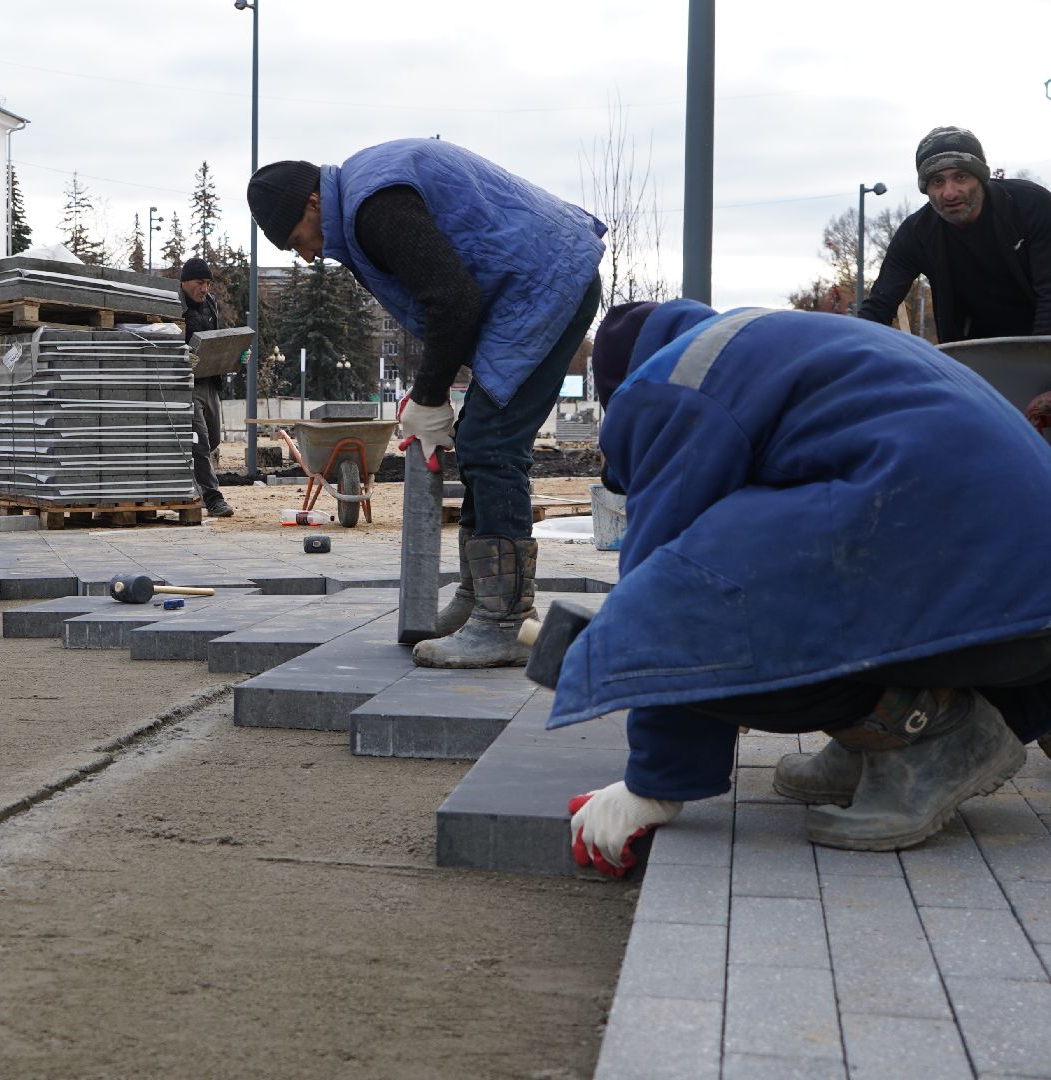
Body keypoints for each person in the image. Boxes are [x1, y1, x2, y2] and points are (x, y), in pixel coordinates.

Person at [556, 300, 1051, 876]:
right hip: (1025, 616)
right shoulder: (780, 349)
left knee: (701, 606)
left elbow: (668, 592)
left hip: (987, 602)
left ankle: (931, 736)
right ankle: (876, 739)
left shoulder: (669, 385)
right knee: (786, 536)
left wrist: (654, 781)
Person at [246, 139, 604, 668]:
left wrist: (430, 394)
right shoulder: (365, 193)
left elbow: (453, 298)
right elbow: (452, 297)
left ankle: (505, 619)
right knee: (482, 438)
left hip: (545, 284)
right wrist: (427, 392)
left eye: (297, 239)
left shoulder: (374, 209)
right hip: (531, 285)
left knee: (490, 444)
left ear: (314, 203)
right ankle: (479, 599)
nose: (307, 254)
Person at [858, 126, 1051, 342]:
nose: (949, 193)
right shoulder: (916, 234)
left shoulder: (1030, 206)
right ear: (926, 188)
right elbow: (878, 308)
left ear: (980, 178)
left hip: (1042, 341)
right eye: (937, 181)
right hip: (972, 356)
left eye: (960, 177)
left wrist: (1038, 362)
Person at [178, 257, 234, 519]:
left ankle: (192, 484)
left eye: (208, 283)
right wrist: (180, 355)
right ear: (185, 282)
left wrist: (233, 355)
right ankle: (213, 499)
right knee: (199, 443)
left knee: (212, 439)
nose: (205, 289)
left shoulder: (210, 305)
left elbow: (216, 338)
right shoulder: (175, 306)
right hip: (186, 384)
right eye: (200, 283)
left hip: (210, 381)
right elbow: (160, 336)